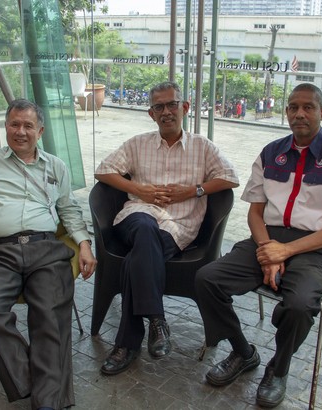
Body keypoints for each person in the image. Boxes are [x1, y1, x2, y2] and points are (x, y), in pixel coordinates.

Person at [194, 83, 322, 408]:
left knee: (300, 306)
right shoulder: (270, 152)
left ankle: (279, 368)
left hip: (315, 249)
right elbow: (255, 213)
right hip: (266, 239)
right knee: (207, 279)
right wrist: (268, 251)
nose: (299, 114)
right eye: (293, 107)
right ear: (286, 111)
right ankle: (242, 352)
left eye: (308, 107)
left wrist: (285, 252)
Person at [0, 98, 97, 410]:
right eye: (13, 124)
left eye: (27, 125)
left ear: (40, 131)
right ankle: (37, 379)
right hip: (1, 251)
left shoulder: (56, 166)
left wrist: (85, 244)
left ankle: (47, 403)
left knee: (50, 316)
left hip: (45, 247)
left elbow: (69, 210)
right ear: (6, 126)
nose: (19, 131)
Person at [94, 81, 239, 376]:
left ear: (184, 107)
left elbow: (230, 178)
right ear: (151, 114)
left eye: (172, 104)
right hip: (136, 216)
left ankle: (127, 344)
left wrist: (194, 191)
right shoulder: (137, 144)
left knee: (141, 254)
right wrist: (139, 190)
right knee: (145, 229)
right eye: (159, 107)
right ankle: (157, 320)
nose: (166, 112)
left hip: (178, 227)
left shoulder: (202, 147)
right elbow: (103, 170)